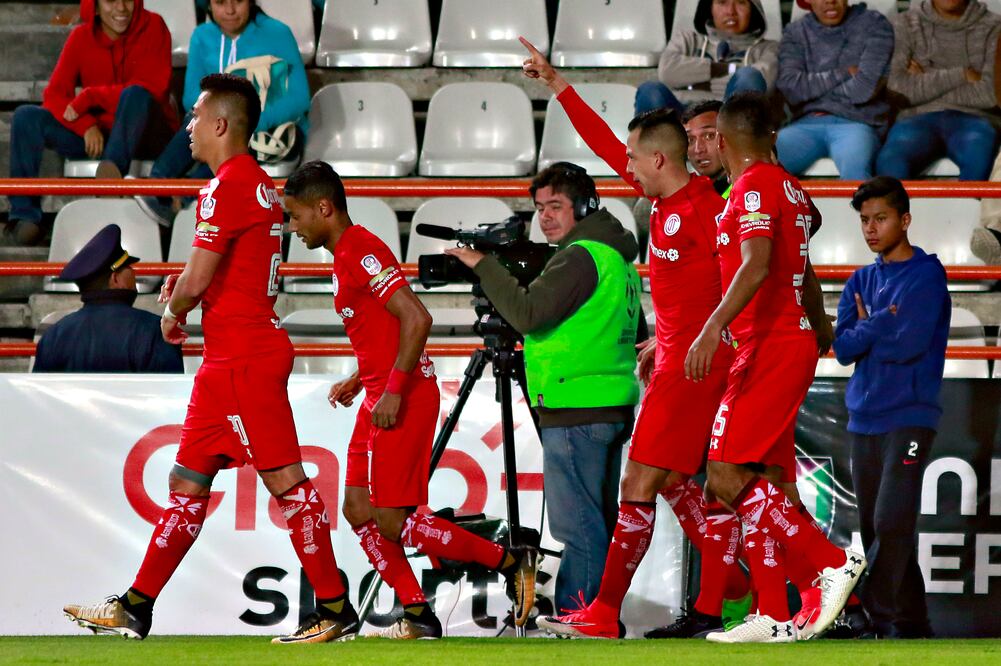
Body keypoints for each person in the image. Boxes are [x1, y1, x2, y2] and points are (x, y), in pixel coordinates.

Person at [63, 74, 357, 645]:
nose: (189, 126)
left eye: (196, 116)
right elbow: (223, 271)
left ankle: (334, 608)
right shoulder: (261, 188)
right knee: (187, 482)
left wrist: (172, 312)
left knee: (288, 483)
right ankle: (135, 605)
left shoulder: (227, 187)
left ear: (221, 125)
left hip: (242, 357)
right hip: (232, 356)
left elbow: (197, 281)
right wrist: (191, 290)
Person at [512, 37, 757, 640]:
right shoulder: (665, 199)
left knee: (639, 482)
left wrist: (705, 338)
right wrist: (557, 84)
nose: (621, 163)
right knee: (678, 483)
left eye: (631, 157)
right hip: (675, 357)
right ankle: (724, 589)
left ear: (658, 161)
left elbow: (742, 279)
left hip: (695, 366)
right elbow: (600, 141)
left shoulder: (708, 209)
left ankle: (602, 613)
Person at [283, 161, 538, 639]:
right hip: (379, 393)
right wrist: (362, 377)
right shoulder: (345, 255)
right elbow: (388, 326)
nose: (292, 227)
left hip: (402, 398)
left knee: (393, 521)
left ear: (323, 207)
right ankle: (417, 614)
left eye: (296, 217)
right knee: (358, 510)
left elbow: (417, 319)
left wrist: (392, 390)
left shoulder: (359, 250)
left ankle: (510, 561)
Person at [683, 92, 866, 643]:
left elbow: (759, 262)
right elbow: (801, 268)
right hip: (788, 339)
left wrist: (713, 326)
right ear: (772, 134)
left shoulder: (755, 185)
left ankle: (829, 561)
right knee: (766, 478)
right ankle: (770, 612)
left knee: (725, 474)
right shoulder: (790, 187)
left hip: (766, 343)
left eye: (709, 135)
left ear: (722, 137)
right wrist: (823, 326)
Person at [833, 176, 949, 639]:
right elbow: (842, 348)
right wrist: (881, 322)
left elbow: (910, 344)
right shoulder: (860, 279)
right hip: (864, 418)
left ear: (905, 220)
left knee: (889, 522)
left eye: (880, 218)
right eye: (864, 220)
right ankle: (915, 624)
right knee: (879, 529)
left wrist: (869, 331)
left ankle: (869, 617)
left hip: (911, 415)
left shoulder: (927, 274)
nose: (871, 228)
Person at [4, 0, 176, 246]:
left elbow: (156, 89)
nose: (121, 8)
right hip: (99, 137)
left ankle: (110, 179)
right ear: (94, 7)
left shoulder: (154, 26)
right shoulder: (81, 36)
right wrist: (85, 126)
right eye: (110, 1)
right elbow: (54, 94)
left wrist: (92, 96)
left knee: (136, 93)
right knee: (26, 116)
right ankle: (24, 216)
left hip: (146, 134)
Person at [137, 0, 310, 227]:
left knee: (228, 137)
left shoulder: (278, 33)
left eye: (237, 1)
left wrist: (249, 121)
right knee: (197, 118)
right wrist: (222, 116)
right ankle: (157, 186)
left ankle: (181, 197)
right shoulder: (202, 36)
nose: (229, 11)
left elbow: (300, 97)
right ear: (209, 5)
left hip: (270, 132)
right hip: (220, 126)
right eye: (220, 2)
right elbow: (191, 97)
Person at [876, 0, 1001, 182]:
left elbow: (990, 95)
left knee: (980, 157)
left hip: (976, 119)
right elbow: (898, 89)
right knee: (890, 162)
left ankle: (967, 211)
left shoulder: (994, 27)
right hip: (915, 119)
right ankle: (905, 211)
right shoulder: (904, 24)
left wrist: (923, 78)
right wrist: (962, 75)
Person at [33, 223, 182, 373]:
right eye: (128, 267)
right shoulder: (154, 331)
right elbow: (167, 391)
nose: (133, 273)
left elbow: (41, 393)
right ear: (115, 279)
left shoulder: (54, 336)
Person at [775, 0, 894, 181]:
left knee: (856, 173)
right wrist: (844, 73)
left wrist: (813, 91)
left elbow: (862, 90)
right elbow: (791, 89)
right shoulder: (795, 32)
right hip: (806, 123)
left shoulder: (874, 24)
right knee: (764, 168)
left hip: (857, 122)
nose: (830, 1)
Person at [636, 0, 778, 116]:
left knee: (749, 76)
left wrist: (694, 82)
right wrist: (725, 70)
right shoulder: (687, 39)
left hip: (732, 120)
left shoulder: (769, 48)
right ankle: (659, 150)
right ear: (709, 7)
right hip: (680, 117)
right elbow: (667, 72)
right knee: (650, 91)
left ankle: (735, 149)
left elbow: (760, 82)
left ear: (754, 9)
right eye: (722, 2)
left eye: (741, 2)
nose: (731, 11)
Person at [683, 100, 730, 196]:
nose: (698, 150)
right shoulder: (685, 195)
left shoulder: (748, 192)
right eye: (690, 140)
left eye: (710, 136)